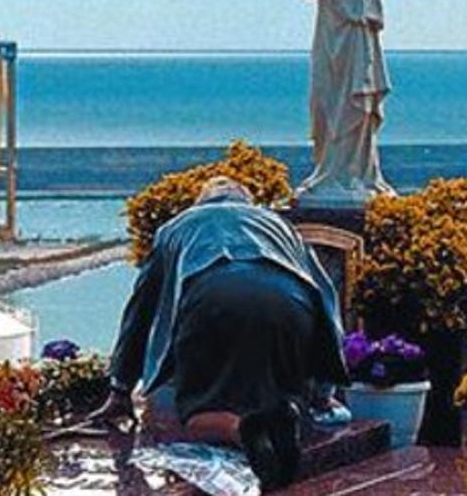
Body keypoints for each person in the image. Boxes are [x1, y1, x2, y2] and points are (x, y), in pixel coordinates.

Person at [90, 176, 349, 491]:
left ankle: (242, 430)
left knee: (198, 412)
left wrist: (120, 388)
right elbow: (325, 298)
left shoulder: (174, 228)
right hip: (291, 304)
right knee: (283, 391)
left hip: (212, 298)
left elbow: (140, 312)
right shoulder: (279, 225)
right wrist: (323, 393)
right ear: (247, 202)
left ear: (201, 201)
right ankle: (288, 413)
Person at [295, 0, 398, 204]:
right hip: (327, 29)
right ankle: (327, 170)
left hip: (355, 29)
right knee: (323, 99)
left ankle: (355, 174)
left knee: (355, 102)